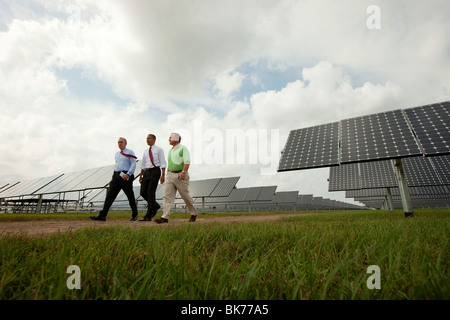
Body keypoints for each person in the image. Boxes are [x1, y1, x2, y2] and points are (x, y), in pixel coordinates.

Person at [90, 137, 139, 221]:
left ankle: (134, 214)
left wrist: (128, 174)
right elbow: (117, 167)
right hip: (116, 176)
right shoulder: (117, 154)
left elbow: (133, 164)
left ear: (125, 143)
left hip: (125, 176)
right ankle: (103, 215)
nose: (119, 144)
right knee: (109, 196)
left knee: (130, 196)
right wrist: (112, 179)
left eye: (121, 142)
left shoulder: (130, 152)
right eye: (118, 142)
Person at [154, 132, 197, 224]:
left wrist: (183, 172)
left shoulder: (183, 148)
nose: (169, 139)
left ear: (176, 138)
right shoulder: (170, 150)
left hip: (180, 175)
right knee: (167, 196)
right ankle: (164, 217)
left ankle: (193, 213)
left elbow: (187, 161)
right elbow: (170, 163)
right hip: (170, 175)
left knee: (185, 195)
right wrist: (167, 174)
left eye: (170, 137)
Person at [138, 134, 166, 221]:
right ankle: (155, 205)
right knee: (143, 192)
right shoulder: (146, 151)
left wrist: (163, 174)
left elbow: (163, 162)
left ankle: (149, 215)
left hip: (155, 171)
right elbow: (143, 164)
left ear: (154, 139)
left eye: (149, 138)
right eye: (146, 138)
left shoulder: (159, 149)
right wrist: (141, 175)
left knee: (151, 192)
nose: (147, 140)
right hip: (146, 172)